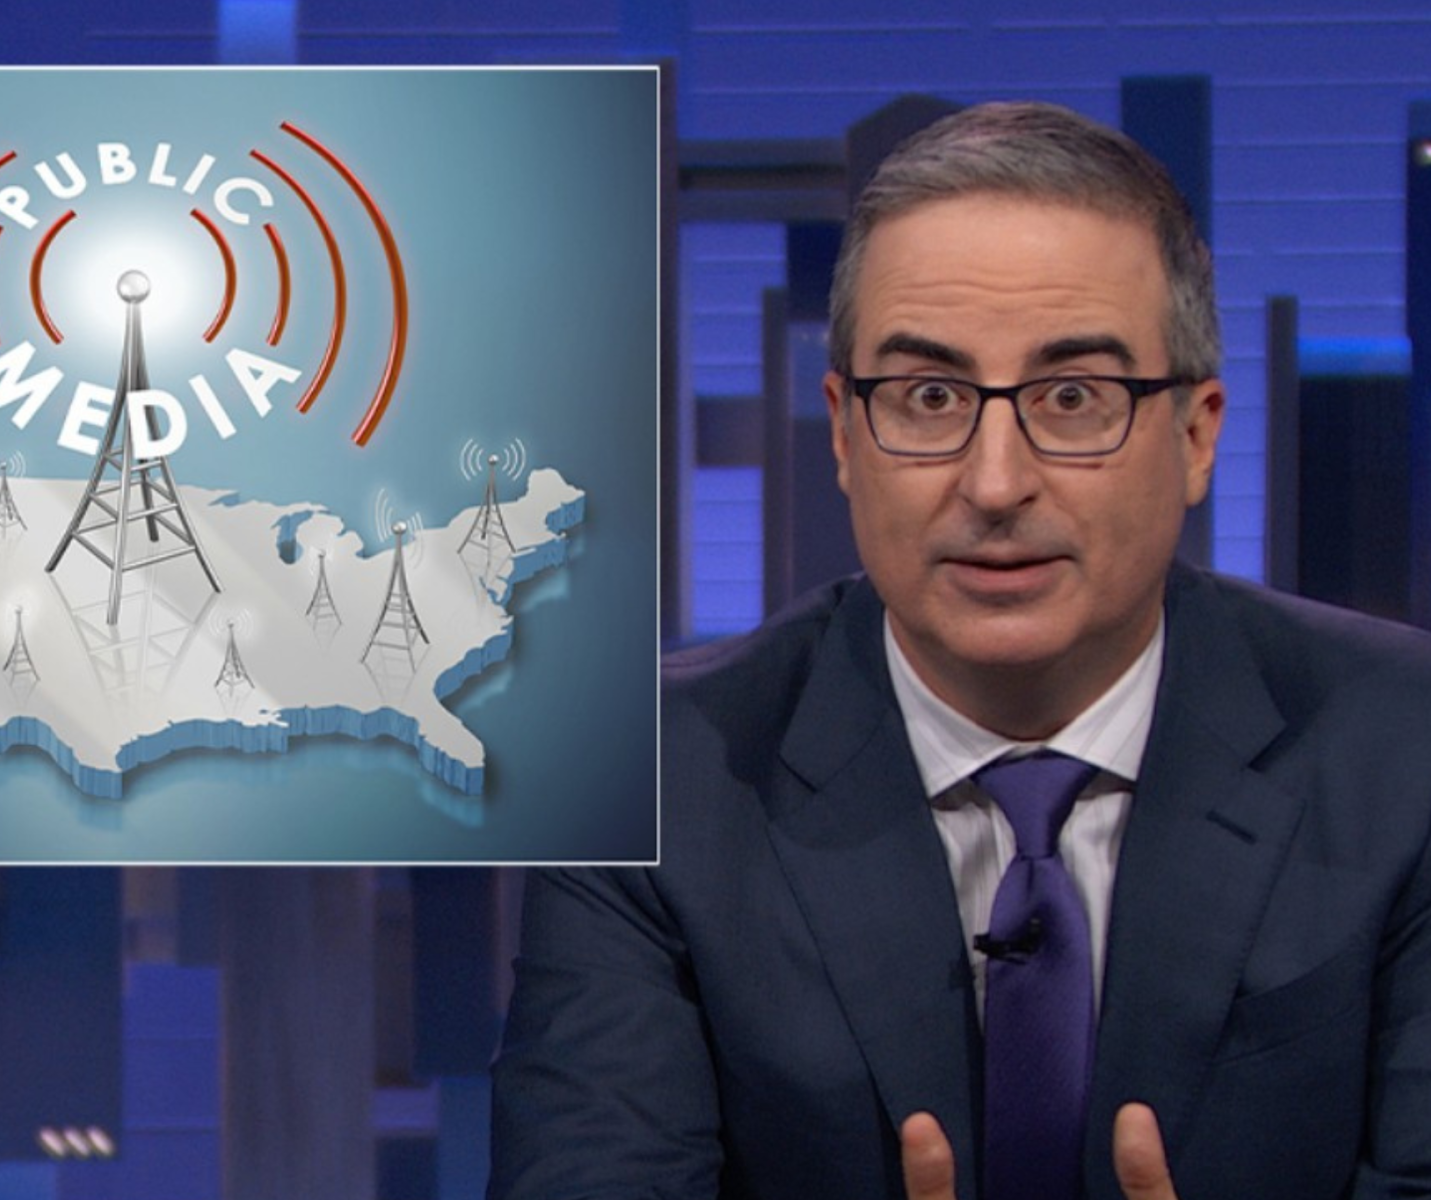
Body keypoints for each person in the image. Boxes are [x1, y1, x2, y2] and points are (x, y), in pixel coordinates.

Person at [488, 101, 1431, 1200]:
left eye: (1073, 398)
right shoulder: (651, 779)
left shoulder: (1402, 754)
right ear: (844, 433)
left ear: (1196, 435)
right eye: (929, 397)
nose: (993, 484)